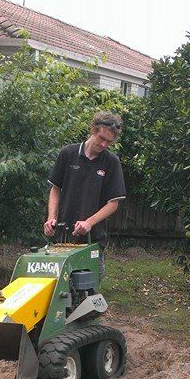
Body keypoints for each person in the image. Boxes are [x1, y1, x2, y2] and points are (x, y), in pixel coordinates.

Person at [43, 111, 126, 271]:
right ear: (93, 130)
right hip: (62, 236)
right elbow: (55, 189)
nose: (104, 145)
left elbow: (113, 204)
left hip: (92, 240)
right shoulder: (68, 154)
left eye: (108, 142)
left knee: (87, 287)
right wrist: (51, 217)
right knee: (59, 287)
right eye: (102, 138)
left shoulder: (111, 162)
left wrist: (89, 222)